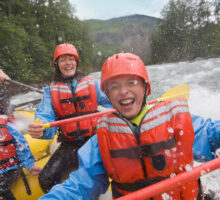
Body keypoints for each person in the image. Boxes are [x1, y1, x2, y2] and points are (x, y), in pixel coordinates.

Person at [39, 52, 201, 200]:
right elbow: (80, 184)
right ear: (108, 95)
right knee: (47, 178)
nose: (123, 91)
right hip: (71, 142)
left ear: (146, 87)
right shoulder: (101, 140)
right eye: (115, 86)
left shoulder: (175, 118)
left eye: (131, 82)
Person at [28, 43, 112, 193]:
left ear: (76, 62)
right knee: (46, 178)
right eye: (63, 60)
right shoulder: (50, 92)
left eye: (71, 59)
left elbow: (112, 101)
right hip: (70, 144)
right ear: (57, 65)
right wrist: (40, 126)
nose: (68, 63)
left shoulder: (92, 84)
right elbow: (45, 115)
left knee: (104, 170)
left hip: (94, 139)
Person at [0, 114, 41, 200]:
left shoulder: (5, 124)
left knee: (1, 189)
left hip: (8, 169)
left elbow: (20, 143)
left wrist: (29, 164)